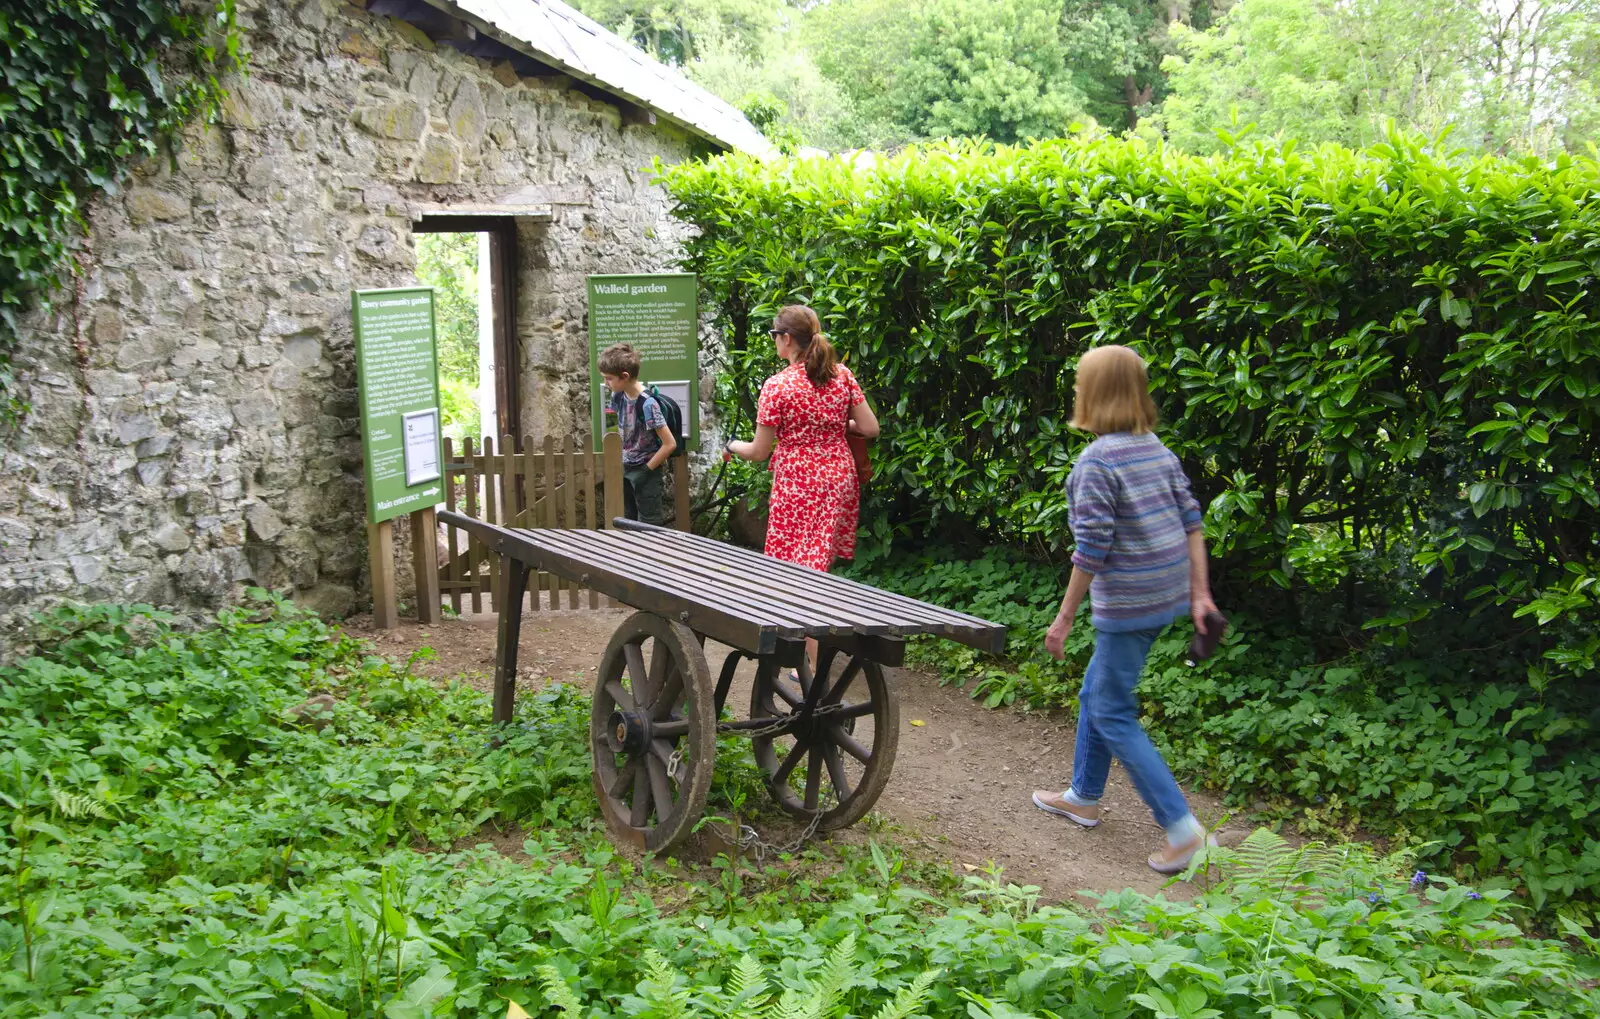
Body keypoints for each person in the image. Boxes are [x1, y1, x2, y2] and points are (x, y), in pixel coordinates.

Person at [1030, 344, 1220, 875]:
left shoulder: (1096, 463)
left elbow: (1091, 550)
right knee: (1099, 689)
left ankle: (1182, 830)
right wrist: (1200, 593)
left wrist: (1064, 617)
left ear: (1096, 394)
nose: (1074, 391)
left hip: (1130, 604)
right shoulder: (1154, 447)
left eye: (1078, 383)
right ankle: (1084, 797)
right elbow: (1192, 522)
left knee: (1111, 709)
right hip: (1164, 597)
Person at [725, 305, 879, 667]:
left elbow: (760, 451)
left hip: (798, 482)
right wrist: (837, 428)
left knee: (795, 570)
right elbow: (870, 429)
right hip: (837, 477)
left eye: (775, 335)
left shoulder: (778, 386)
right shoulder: (842, 376)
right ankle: (809, 649)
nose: (775, 341)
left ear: (787, 339)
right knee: (815, 565)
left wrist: (731, 445)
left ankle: (804, 661)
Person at [599, 343, 677, 525]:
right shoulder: (618, 395)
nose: (605, 383)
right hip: (625, 468)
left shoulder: (648, 404)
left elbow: (669, 444)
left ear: (624, 376)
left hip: (646, 472)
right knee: (627, 521)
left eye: (609, 378)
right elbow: (616, 431)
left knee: (649, 525)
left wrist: (645, 470)